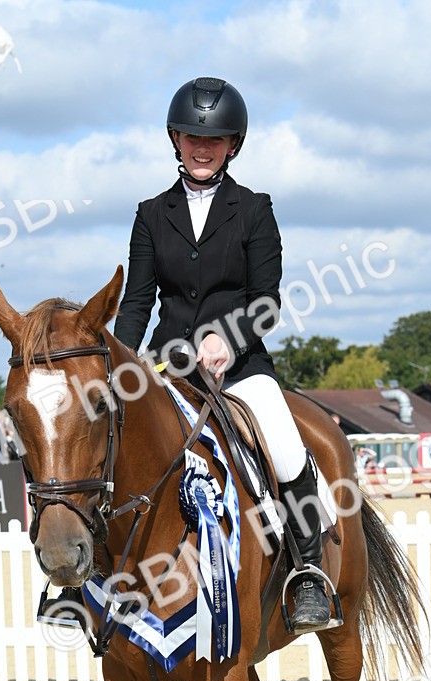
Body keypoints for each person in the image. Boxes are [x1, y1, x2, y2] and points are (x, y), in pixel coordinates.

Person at [113, 77, 332, 631]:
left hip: (239, 369)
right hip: (168, 369)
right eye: (191, 136)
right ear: (174, 139)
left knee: (283, 445)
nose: (202, 147)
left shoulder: (255, 210)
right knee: (106, 443)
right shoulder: (150, 213)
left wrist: (225, 340)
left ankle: (308, 571)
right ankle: (79, 577)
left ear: (233, 144)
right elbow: (137, 303)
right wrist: (122, 364)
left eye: (215, 139)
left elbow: (267, 303)